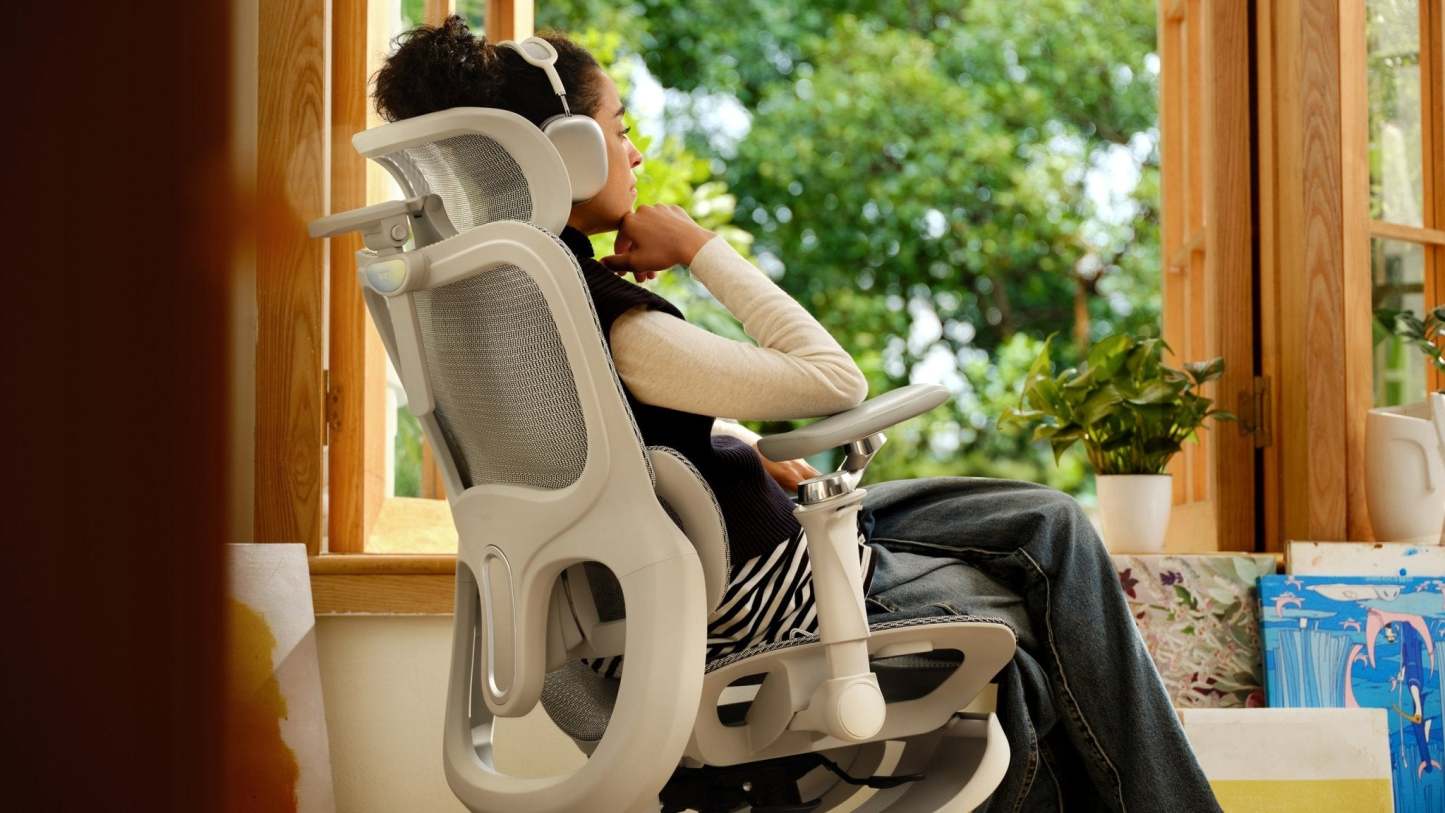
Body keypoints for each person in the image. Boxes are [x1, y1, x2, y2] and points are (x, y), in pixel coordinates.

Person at [373, 17, 1221, 812]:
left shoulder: (504, 313)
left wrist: (736, 443)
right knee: (1047, 568)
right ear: (571, 150)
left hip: (686, 587)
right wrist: (700, 248)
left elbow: (616, 454)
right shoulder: (612, 322)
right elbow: (833, 379)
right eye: (619, 128)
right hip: (768, 596)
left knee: (1036, 599)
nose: (635, 151)